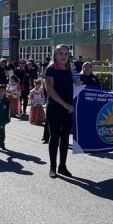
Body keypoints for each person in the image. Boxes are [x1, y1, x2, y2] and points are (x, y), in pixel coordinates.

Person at [44, 43, 77, 178]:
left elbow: (76, 84)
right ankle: (52, 167)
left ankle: (62, 166)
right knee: (55, 137)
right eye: (60, 53)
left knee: (65, 138)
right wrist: (65, 104)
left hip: (68, 107)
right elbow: (50, 90)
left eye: (66, 53)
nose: (63, 56)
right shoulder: (51, 69)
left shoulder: (70, 68)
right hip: (55, 107)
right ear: (55, 55)